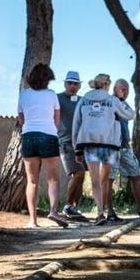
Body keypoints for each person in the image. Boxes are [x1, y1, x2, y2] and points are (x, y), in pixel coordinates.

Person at [72, 73, 133, 226]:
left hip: (89, 144)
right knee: (104, 180)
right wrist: (120, 98)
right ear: (107, 85)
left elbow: (76, 124)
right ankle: (103, 211)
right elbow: (130, 114)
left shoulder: (84, 99)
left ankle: (100, 213)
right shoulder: (112, 100)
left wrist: (77, 149)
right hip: (109, 145)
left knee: (95, 181)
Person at [17, 62, 68, 229]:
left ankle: (32, 221)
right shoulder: (52, 95)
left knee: (32, 181)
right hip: (48, 135)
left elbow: (22, 119)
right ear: (47, 80)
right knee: (53, 178)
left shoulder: (24, 95)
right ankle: (53, 211)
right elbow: (56, 119)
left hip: (28, 136)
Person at [106, 78, 140, 221]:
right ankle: (110, 212)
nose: (124, 92)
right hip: (111, 147)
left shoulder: (124, 105)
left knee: (136, 174)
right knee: (109, 179)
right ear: (114, 89)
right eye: (122, 89)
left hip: (125, 147)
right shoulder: (109, 102)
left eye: (127, 90)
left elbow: (130, 116)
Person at [57, 70, 88, 221]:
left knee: (81, 177)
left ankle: (74, 208)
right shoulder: (57, 99)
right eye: (69, 83)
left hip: (81, 144)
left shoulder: (83, 100)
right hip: (65, 142)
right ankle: (68, 205)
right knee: (78, 173)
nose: (72, 86)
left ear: (79, 86)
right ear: (65, 84)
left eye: (75, 83)